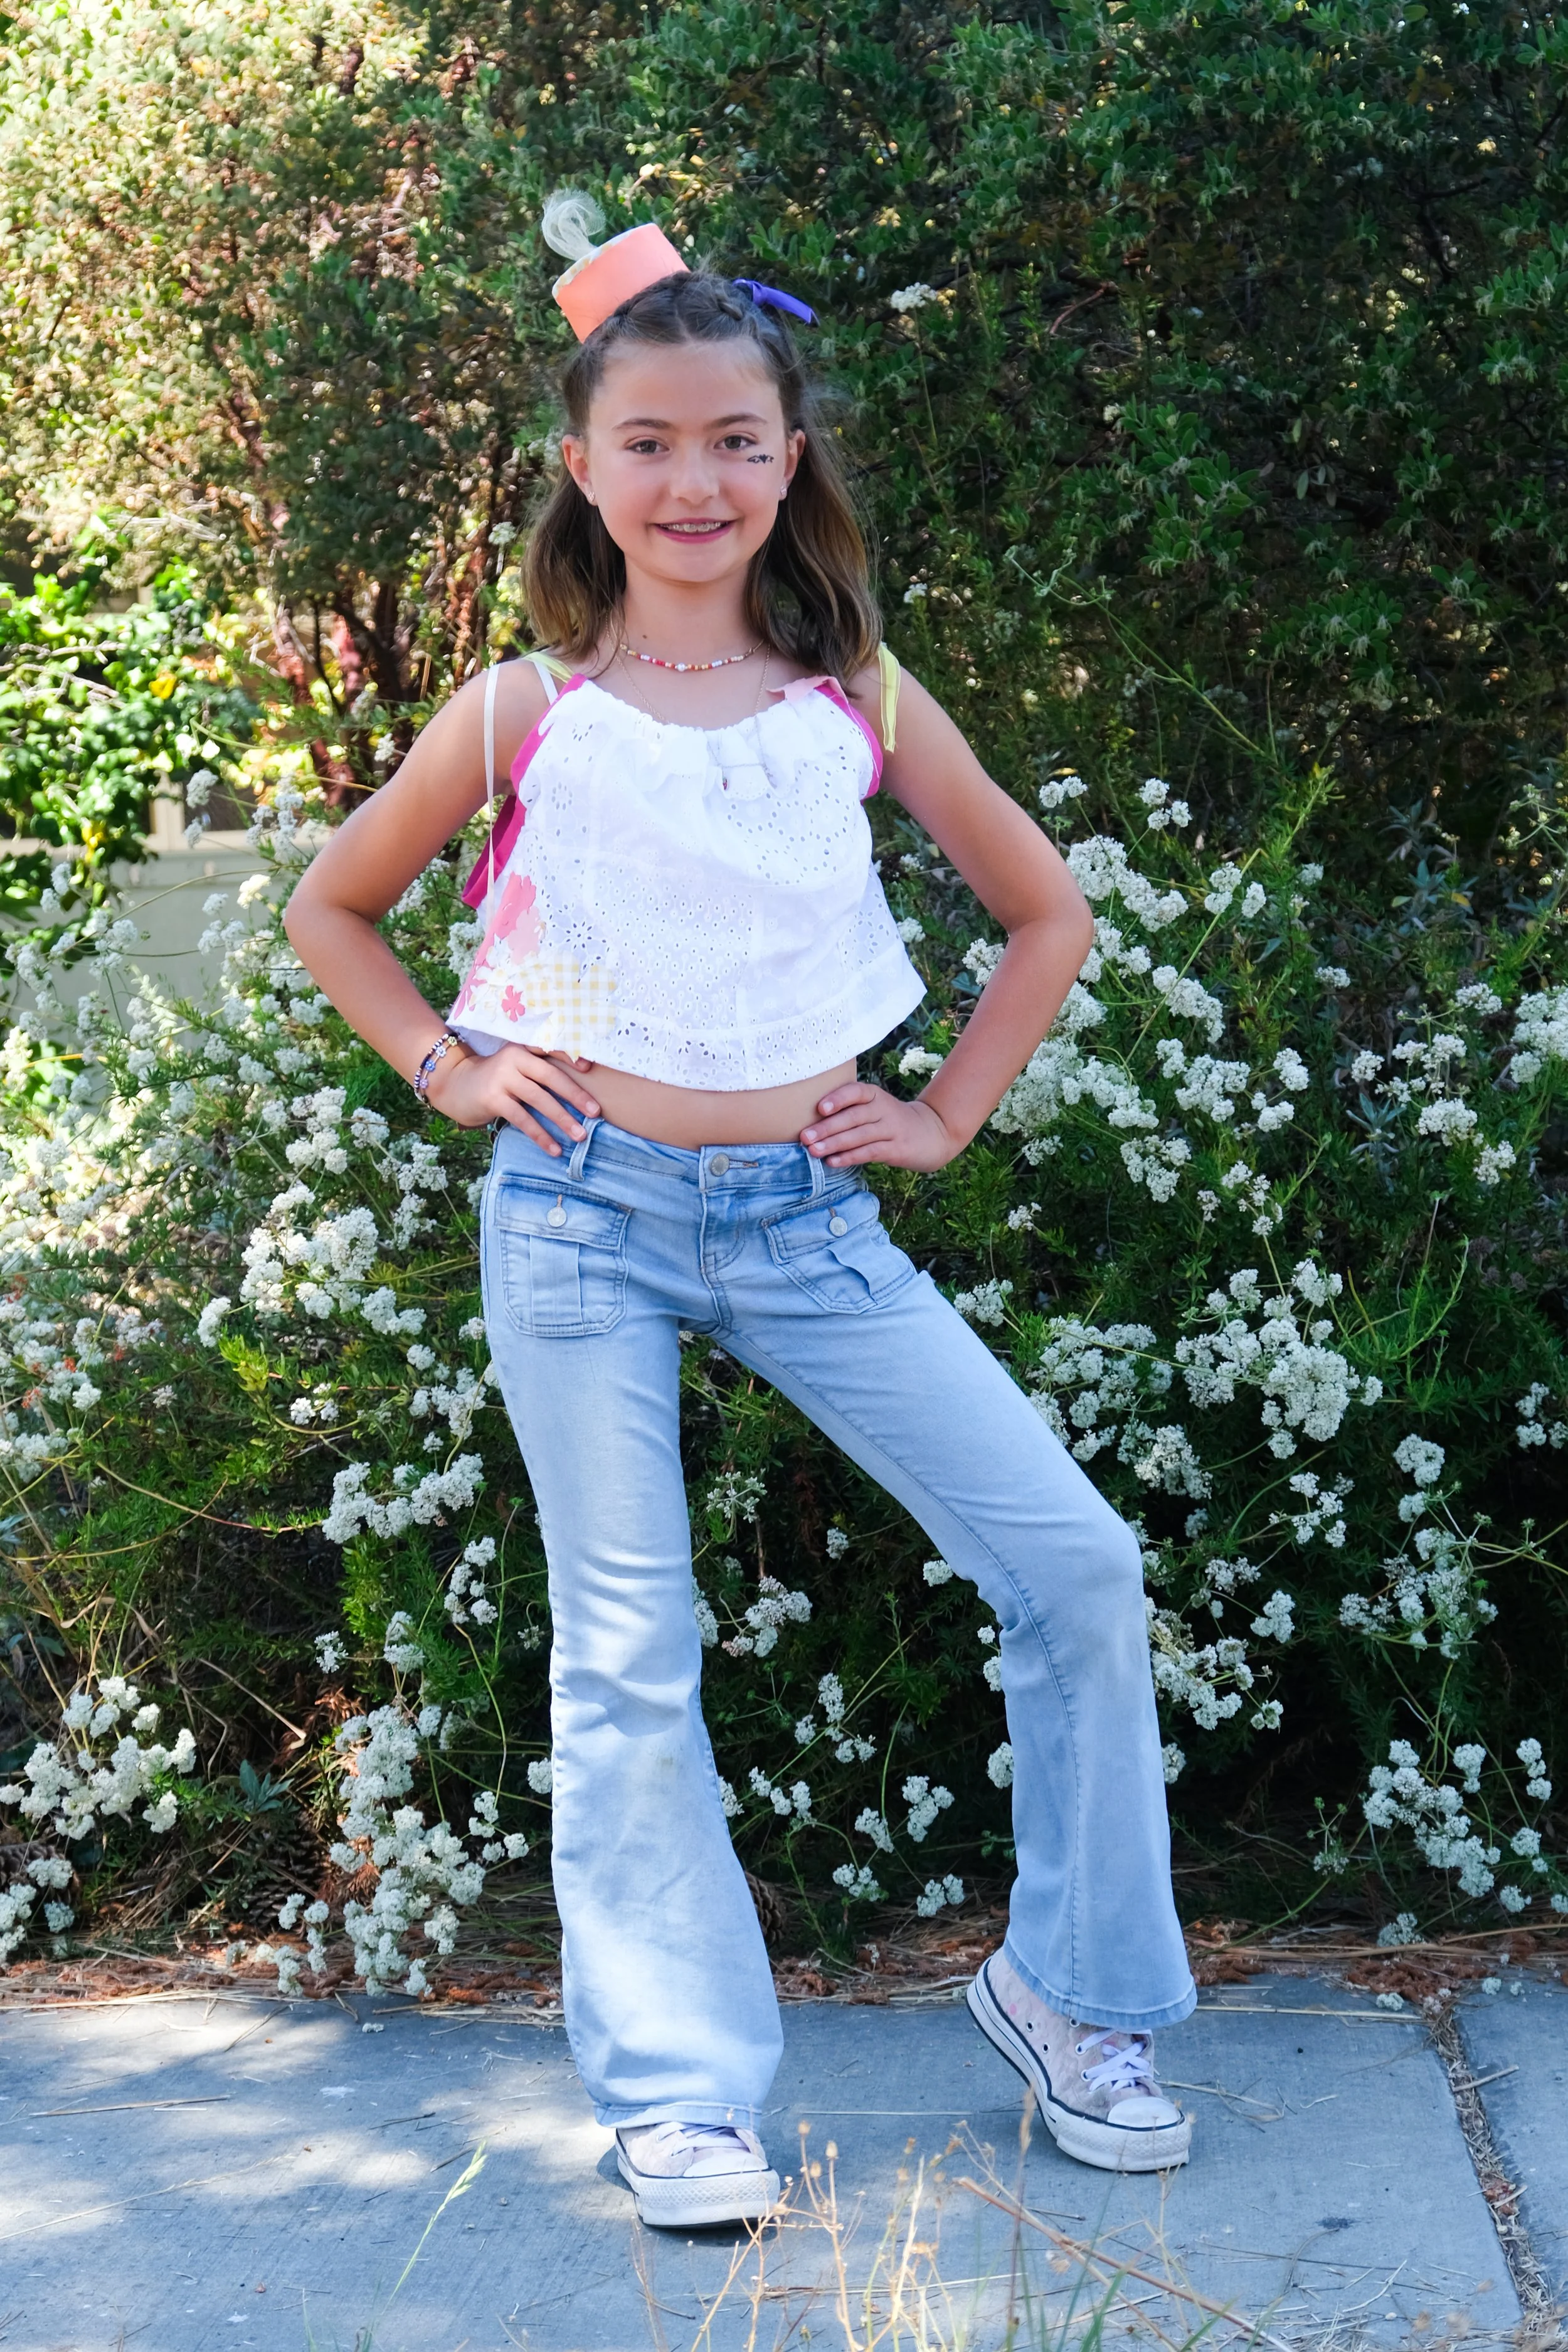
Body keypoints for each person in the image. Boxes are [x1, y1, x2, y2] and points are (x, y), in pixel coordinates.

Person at [284, 195, 1197, 2232]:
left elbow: (1042, 910)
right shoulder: (527, 713)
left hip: (806, 1216)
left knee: (1075, 1565)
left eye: (737, 442)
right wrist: (447, 1065)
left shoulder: (850, 697)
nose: (695, 480)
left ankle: (1075, 1996)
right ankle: (683, 2094)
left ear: (792, 462)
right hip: (583, 1216)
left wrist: (947, 1108)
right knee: (629, 1646)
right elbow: (330, 905)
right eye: (651, 444)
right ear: (584, 471)